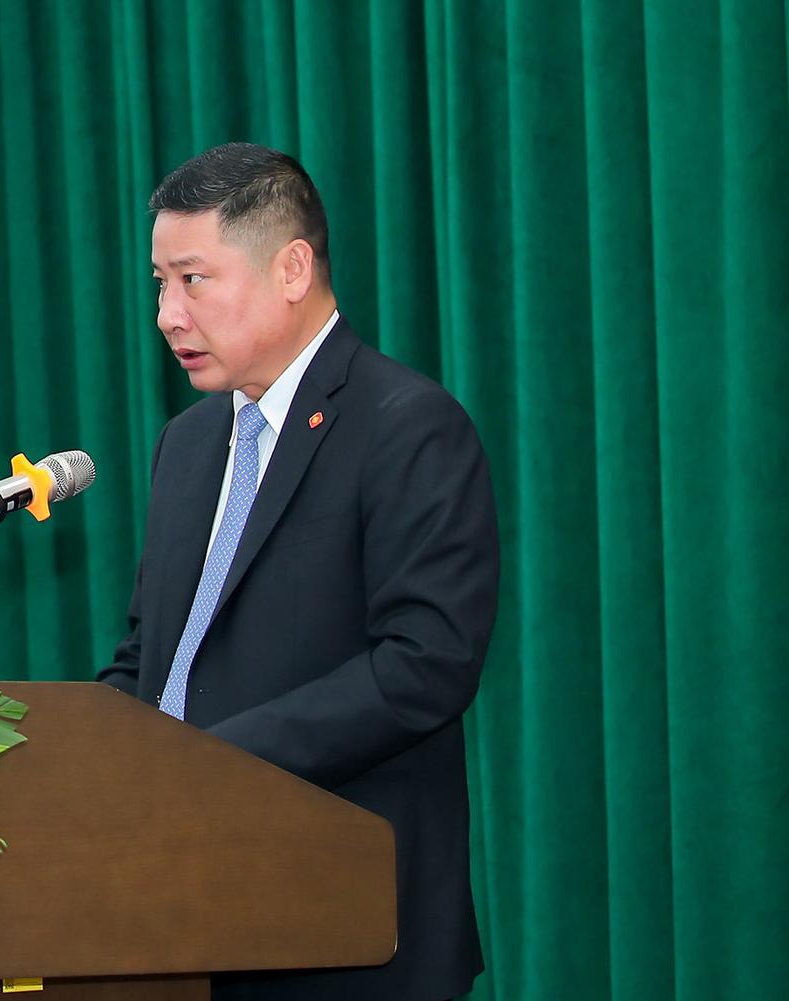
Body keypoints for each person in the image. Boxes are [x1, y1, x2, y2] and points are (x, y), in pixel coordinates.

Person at [97, 142, 500, 1001]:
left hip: (344, 928)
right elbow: (152, 660)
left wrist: (210, 761)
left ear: (291, 269)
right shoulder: (188, 444)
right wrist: (79, 754)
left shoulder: (408, 427)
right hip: (183, 920)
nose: (168, 315)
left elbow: (424, 666)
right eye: (160, 284)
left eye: (193, 280)